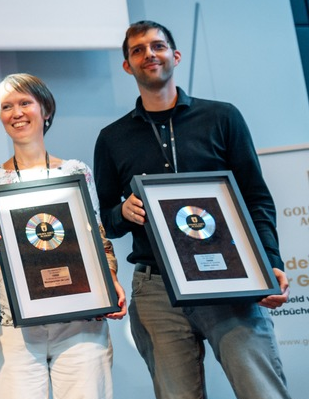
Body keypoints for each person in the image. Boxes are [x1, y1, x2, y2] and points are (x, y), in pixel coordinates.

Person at [94, 20, 291, 399]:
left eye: (158, 46)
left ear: (175, 55)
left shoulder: (222, 117)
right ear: (127, 66)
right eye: (137, 50)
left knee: (261, 391)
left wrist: (269, 262)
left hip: (232, 281)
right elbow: (106, 219)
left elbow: (256, 198)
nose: (149, 54)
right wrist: (124, 212)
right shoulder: (112, 138)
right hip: (156, 289)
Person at [0, 73, 126, 399]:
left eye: (24, 103)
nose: (16, 113)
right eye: (6, 106)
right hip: (12, 324)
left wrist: (110, 277)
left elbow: (97, 236)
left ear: (45, 109)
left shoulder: (75, 172)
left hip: (80, 318)